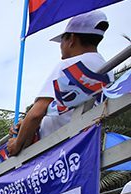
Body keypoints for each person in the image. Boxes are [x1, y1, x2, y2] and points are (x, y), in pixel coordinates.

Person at [7, 10, 112, 157]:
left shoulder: (69, 65)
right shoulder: (107, 70)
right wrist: (26, 126)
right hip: (82, 145)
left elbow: (37, 113)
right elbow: (63, 109)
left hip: (54, 151)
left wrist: (16, 144)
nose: (61, 46)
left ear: (72, 39)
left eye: (61, 41)